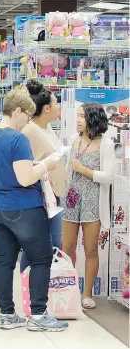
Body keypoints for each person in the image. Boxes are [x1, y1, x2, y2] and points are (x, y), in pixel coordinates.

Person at [0, 89, 68, 332]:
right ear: (16, 111)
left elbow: (3, 169)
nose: (28, 120)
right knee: (40, 259)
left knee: (3, 261)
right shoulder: (17, 139)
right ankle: (38, 315)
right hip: (22, 209)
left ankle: (7, 314)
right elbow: (25, 178)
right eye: (27, 115)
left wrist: (33, 165)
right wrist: (47, 164)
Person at [61, 103, 115, 310]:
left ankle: (87, 294)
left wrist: (84, 170)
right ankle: (66, 290)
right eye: (78, 115)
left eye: (82, 116)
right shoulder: (74, 140)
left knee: (91, 249)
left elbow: (109, 177)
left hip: (94, 200)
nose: (78, 119)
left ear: (93, 118)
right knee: (67, 247)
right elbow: (67, 169)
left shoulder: (106, 144)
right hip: (72, 199)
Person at [21, 80, 67, 272]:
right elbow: (24, 165)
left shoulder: (47, 128)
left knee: (53, 242)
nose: (59, 108)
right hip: (39, 196)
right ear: (47, 108)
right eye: (56, 103)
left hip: (52, 195)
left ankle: (46, 287)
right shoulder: (29, 131)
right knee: (38, 243)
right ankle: (29, 286)